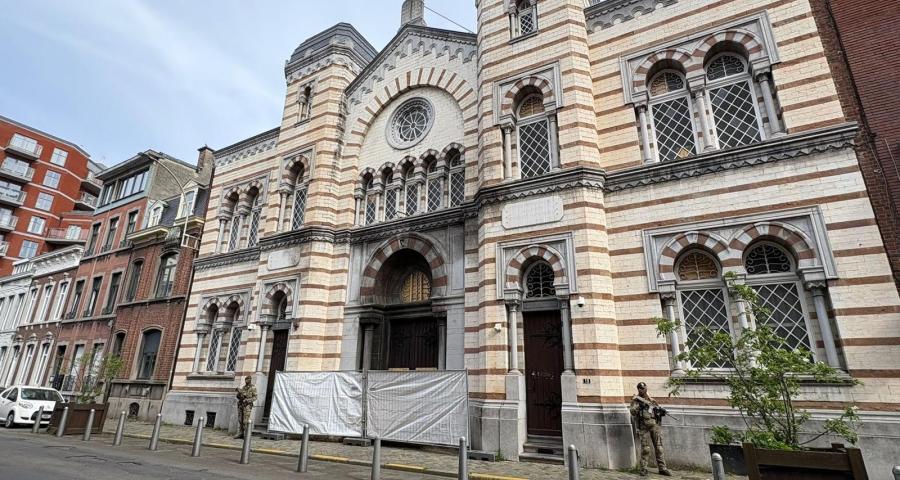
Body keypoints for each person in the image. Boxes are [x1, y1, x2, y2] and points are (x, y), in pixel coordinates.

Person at [629, 382, 671, 477]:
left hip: (654, 426)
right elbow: (632, 412)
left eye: (643, 388)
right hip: (643, 427)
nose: (641, 390)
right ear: (638, 389)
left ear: (646, 388)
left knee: (659, 447)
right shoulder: (635, 401)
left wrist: (661, 412)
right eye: (640, 388)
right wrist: (639, 407)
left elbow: (657, 412)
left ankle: (662, 468)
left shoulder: (652, 401)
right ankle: (643, 468)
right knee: (646, 449)